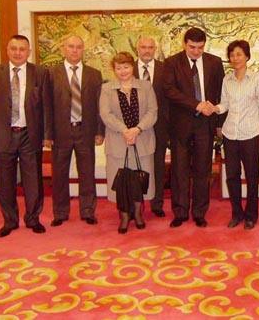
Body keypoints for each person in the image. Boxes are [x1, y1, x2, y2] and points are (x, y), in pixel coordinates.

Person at [0, 34, 52, 238]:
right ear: (7, 50)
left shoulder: (40, 73)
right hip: (3, 134)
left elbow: (46, 106)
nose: (18, 53)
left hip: (30, 134)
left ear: (29, 52)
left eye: (22, 49)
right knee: (4, 181)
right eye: (14, 48)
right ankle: (10, 221)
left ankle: (33, 219)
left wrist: (47, 135)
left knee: (33, 180)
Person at [163, 27, 225, 228]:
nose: (196, 51)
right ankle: (180, 212)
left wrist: (218, 120)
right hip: (181, 124)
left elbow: (221, 92)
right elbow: (169, 90)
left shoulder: (214, 62)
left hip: (205, 124)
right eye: (192, 47)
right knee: (179, 170)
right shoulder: (172, 63)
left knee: (203, 170)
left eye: (200, 47)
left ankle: (199, 212)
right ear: (184, 44)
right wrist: (196, 104)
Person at [48, 35, 105, 227]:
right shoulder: (51, 73)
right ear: (63, 49)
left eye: (78, 47)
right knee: (59, 175)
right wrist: (47, 134)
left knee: (87, 174)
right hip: (60, 133)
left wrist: (99, 131)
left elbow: (99, 106)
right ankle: (60, 212)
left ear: (83, 50)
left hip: (85, 131)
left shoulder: (94, 74)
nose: (74, 50)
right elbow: (46, 107)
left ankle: (88, 211)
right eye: (71, 46)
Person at [99, 52, 157, 233]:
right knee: (122, 183)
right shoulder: (107, 88)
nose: (123, 71)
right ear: (114, 70)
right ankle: (124, 216)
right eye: (119, 68)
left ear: (133, 67)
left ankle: (138, 213)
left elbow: (152, 111)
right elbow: (106, 114)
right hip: (118, 141)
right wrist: (124, 130)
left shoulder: (146, 86)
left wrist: (137, 129)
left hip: (142, 140)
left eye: (126, 67)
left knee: (139, 181)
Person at [213, 40, 259, 230]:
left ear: (247, 56)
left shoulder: (257, 79)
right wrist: (214, 108)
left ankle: (251, 215)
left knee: (252, 176)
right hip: (230, 134)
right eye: (232, 55)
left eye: (239, 54)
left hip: (250, 134)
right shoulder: (227, 80)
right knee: (232, 176)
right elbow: (225, 104)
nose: (235, 58)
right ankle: (236, 213)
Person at [134, 36, 169, 218]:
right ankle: (136, 204)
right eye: (143, 47)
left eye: (150, 47)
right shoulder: (129, 69)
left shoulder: (165, 69)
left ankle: (157, 203)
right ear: (137, 49)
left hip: (160, 126)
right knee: (135, 166)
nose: (147, 51)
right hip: (134, 127)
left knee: (158, 166)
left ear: (155, 49)